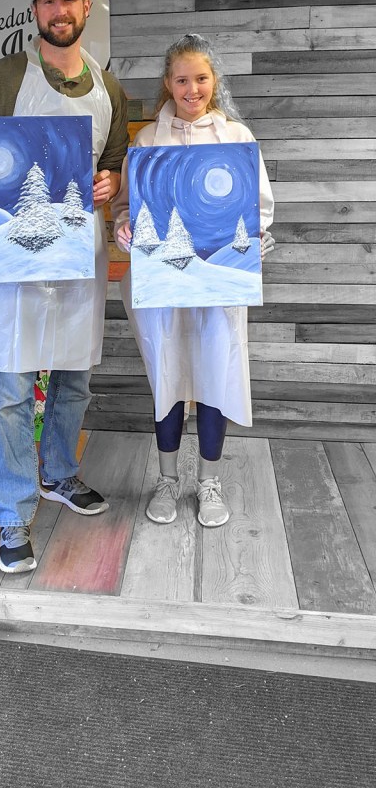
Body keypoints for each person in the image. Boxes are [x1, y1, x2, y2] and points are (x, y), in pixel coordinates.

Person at [0, 0, 128, 574]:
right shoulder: (2, 77)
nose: (60, 11)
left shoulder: (109, 87)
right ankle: (13, 514)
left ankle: (59, 473)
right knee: (15, 386)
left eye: (70, 0)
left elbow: (116, 159)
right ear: (35, 12)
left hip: (79, 252)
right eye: (48, 2)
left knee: (73, 374)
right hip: (15, 253)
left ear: (86, 9)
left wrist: (108, 181)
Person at [112, 34, 274, 528]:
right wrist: (123, 229)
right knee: (167, 373)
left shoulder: (237, 139)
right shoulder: (147, 142)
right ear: (168, 83)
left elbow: (260, 208)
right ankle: (167, 478)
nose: (191, 88)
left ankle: (208, 481)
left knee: (212, 376)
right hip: (160, 288)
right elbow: (125, 206)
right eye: (181, 79)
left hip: (219, 288)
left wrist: (259, 236)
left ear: (213, 81)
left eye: (200, 78)